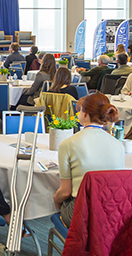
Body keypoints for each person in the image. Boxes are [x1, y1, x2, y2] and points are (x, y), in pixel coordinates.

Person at [53, 93, 125, 225]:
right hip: (111, 212)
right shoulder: (118, 145)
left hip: (82, 212)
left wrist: (55, 200)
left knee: (57, 202)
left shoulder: (68, 144)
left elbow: (65, 192)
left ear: (84, 114)